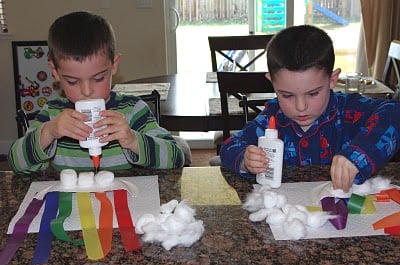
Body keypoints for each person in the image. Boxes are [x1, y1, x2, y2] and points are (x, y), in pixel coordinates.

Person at [220, 25, 400, 192]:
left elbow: (394, 112)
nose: (301, 107)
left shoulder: (349, 111)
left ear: (332, 79)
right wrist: (245, 159)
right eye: (287, 95)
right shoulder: (272, 119)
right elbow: (228, 147)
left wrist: (358, 156)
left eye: (313, 94)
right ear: (272, 83)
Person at [8, 11, 184, 175]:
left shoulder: (132, 110)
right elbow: (16, 163)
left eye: (98, 78)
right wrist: (49, 132)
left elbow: (176, 158)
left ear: (114, 65)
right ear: (55, 71)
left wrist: (133, 141)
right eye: (72, 81)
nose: (87, 91)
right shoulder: (52, 114)